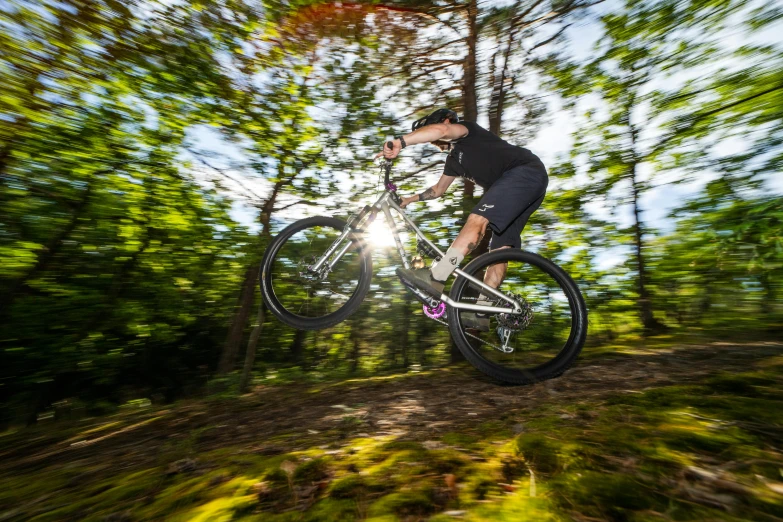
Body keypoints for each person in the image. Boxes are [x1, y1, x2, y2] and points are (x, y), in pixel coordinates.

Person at [377, 108, 548, 330]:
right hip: (525, 189)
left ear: (446, 121)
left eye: (432, 129)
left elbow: (442, 129)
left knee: (476, 221)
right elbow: (438, 190)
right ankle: (482, 312)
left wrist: (400, 141)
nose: (434, 138)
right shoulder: (453, 161)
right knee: (499, 252)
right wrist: (410, 199)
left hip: (523, 172)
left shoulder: (466, 131)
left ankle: (437, 277)